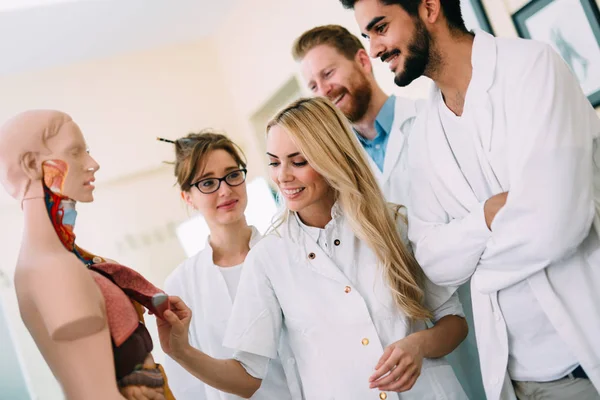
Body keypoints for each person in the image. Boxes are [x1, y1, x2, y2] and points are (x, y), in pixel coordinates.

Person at [340, 0, 600, 399]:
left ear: (428, 8)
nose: (374, 49)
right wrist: (484, 220)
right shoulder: (425, 133)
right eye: (368, 35)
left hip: (588, 352)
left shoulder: (531, 68)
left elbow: (558, 226)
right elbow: (432, 261)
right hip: (527, 377)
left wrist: (478, 269)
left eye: (380, 27)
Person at [159, 97, 469, 399]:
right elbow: (248, 377)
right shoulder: (268, 258)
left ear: (331, 157)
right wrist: (181, 351)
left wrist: (418, 345)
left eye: (298, 161)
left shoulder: (392, 223)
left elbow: (453, 322)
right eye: (274, 162)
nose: (283, 176)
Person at [292, 24, 484, 399]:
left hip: (474, 300)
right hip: (409, 332)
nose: (324, 90)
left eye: (328, 73)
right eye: (313, 85)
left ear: (363, 60)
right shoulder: (335, 173)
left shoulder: (431, 121)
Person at [0, 110, 173, 400]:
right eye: (76, 152)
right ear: (32, 164)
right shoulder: (54, 270)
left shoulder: (70, 262)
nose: (93, 164)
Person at [160, 131, 300, 399]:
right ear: (188, 197)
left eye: (233, 175)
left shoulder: (287, 252)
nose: (225, 190)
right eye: (207, 182)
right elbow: (187, 386)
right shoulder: (182, 283)